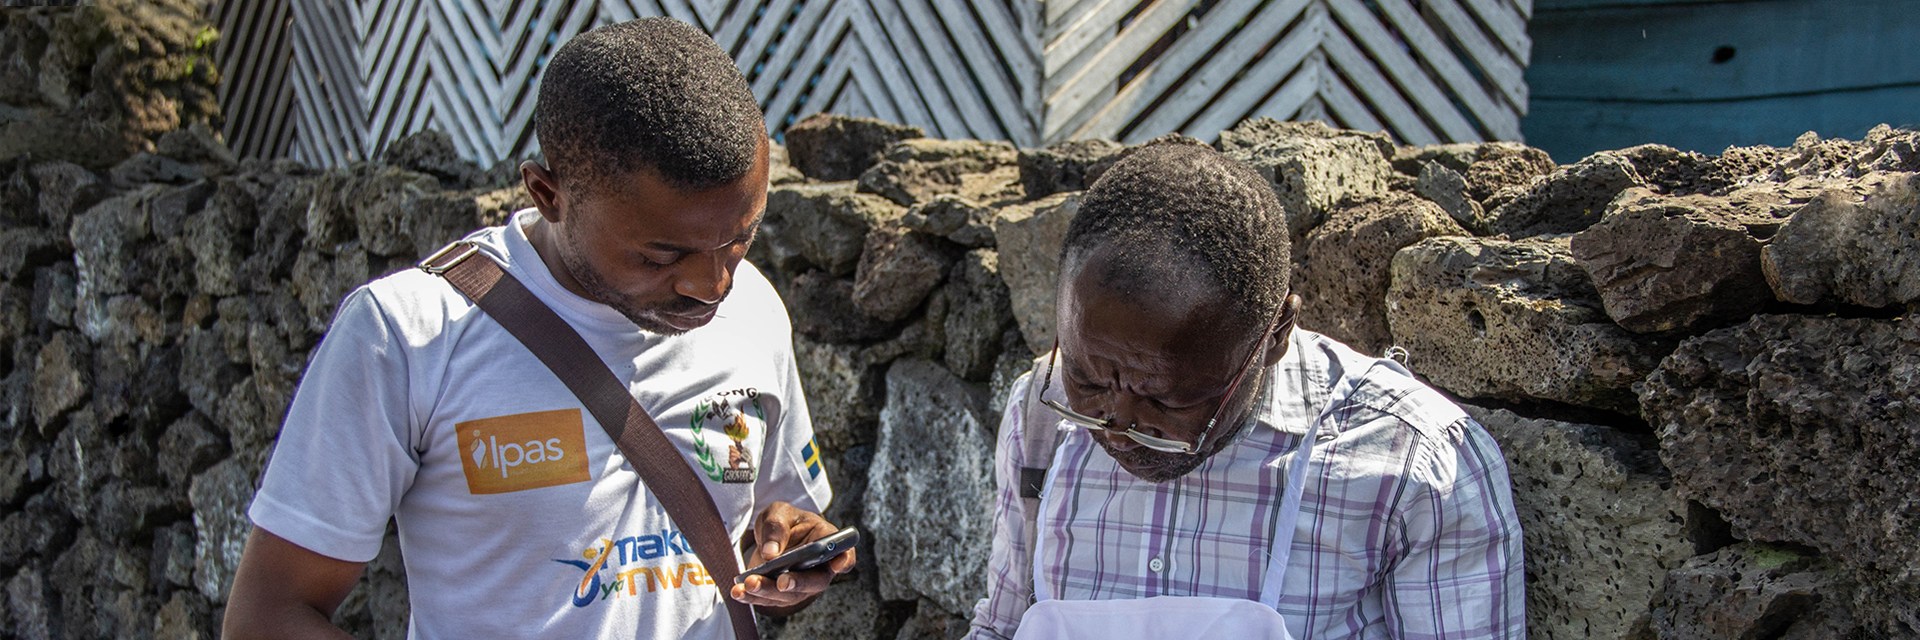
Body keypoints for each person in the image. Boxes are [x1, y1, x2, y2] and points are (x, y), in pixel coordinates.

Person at [222, 18, 852, 638]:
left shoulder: (755, 311)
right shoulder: (407, 337)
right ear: (548, 194)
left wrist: (791, 556)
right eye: (662, 257)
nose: (712, 285)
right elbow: (268, 617)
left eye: (741, 237)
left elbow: (760, 544)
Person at [966, 141, 1525, 639]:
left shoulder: (1413, 465)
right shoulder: (1040, 421)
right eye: (1089, 378)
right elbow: (1001, 625)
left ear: (1275, 334)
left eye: (1168, 398)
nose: (1117, 425)